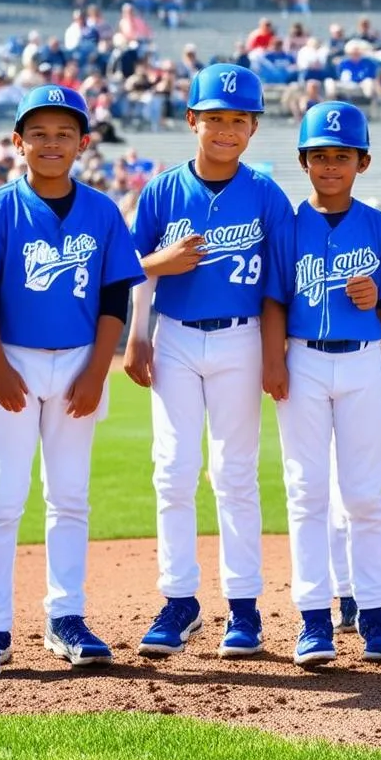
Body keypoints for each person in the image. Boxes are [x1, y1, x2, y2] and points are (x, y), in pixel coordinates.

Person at [0, 85, 145, 677]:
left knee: (70, 496)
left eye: (64, 134)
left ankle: (66, 617)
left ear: (83, 143)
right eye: (40, 132)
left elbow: (117, 296)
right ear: (18, 142)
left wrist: (98, 370)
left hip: (81, 359)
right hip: (13, 358)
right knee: (2, 495)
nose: (51, 143)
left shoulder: (104, 211)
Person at [124, 64, 292, 661]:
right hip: (172, 335)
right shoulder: (163, 190)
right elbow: (135, 266)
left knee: (235, 472)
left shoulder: (267, 195)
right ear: (191, 119)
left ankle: (244, 606)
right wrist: (136, 334)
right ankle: (179, 600)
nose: (224, 128)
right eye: (213, 117)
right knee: (171, 468)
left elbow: (278, 286)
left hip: (241, 339)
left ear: (252, 129)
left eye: (237, 120)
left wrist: (274, 356)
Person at [262, 101, 381, 667]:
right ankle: (313, 619)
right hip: (302, 360)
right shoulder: (288, 226)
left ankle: (375, 614)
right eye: (320, 155)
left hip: (363, 363)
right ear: (304, 162)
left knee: (364, 493)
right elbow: (274, 298)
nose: (331, 165)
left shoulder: (377, 227)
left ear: (363, 162)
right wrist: (273, 360)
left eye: (341, 156)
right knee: (305, 492)